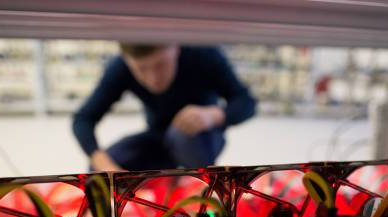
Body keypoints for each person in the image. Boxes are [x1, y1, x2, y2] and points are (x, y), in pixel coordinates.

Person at [72, 44, 256, 171]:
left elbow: (247, 102)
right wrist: (102, 162)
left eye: (160, 65)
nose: (153, 78)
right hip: (158, 137)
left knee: (184, 136)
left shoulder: (203, 53)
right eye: (141, 69)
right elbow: (83, 119)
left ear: (175, 47)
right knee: (99, 170)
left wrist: (214, 115)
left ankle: (199, 186)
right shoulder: (120, 67)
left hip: (201, 139)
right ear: (127, 60)